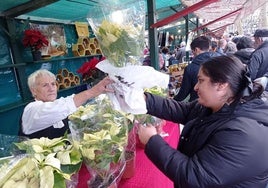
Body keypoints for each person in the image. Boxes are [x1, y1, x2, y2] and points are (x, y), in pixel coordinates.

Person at [138, 55, 268, 187]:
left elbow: (195, 177)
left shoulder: (242, 136)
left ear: (221, 85)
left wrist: (152, 141)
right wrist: (143, 100)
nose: (195, 87)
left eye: (201, 80)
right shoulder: (218, 105)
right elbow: (184, 111)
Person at [19, 69, 113, 139]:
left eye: (53, 84)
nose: (51, 88)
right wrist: (91, 92)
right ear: (33, 90)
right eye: (45, 85)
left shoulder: (59, 105)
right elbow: (57, 109)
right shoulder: (31, 109)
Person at [173, 36, 219, 102]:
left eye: (192, 51)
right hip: (218, 104)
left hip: (198, 104)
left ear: (196, 50)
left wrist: (173, 101)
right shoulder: (221, 61)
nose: (192, 54)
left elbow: (183, 93)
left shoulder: (191, 68)